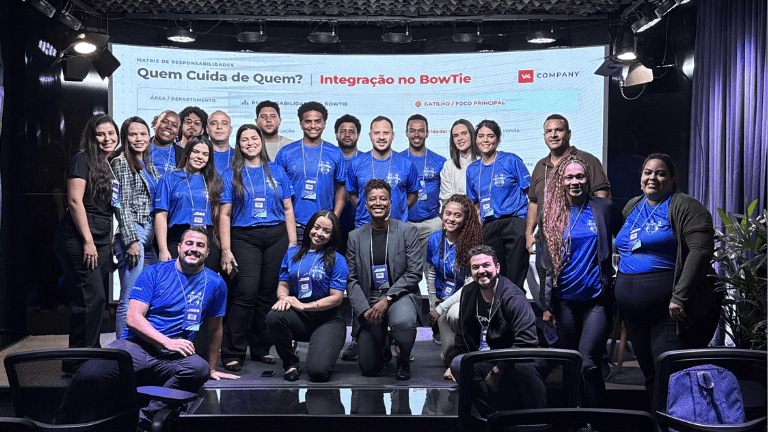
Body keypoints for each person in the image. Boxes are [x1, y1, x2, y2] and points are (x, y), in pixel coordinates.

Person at [57, 227, 239, 432]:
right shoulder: (155, 272)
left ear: (207, 253)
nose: (193, 249)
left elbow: (215, 328)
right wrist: (167, 341)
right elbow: (133, 318)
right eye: (189, 243)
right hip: (137, 345)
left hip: (174, 355)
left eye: (200, 245)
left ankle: (145, 421)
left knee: (199, 369)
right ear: (179, 247)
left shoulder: (216, 284)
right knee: (87, 373)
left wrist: (213, 367)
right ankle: (61, 426)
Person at [615, 153, 721, 394]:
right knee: (650, 374)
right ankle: (656, 424)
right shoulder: (633, 206)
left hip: (669, 310)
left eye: (660, 173)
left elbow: (701, 251)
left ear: (672, 179)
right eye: (648, 172)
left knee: (669, 372)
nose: (653, 177)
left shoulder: (686, 206)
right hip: (634, 313)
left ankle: (676, 425)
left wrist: (680, 296)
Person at [537, 155, 620, 407]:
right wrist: (546, 305)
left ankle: (597, 421)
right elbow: (543, 263)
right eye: (569, 177)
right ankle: (571, 419)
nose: (575, 181)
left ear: (588, 179)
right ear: (560, 180)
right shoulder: (550, 213)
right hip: (564, 303)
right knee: (570, 364)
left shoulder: (603, 208)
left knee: (589, 362)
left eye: (580, 176)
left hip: (596, 301)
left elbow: (623, 240)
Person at [218, 124, 297, 370]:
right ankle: (232, 352)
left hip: (276, 236)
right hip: (244, 237)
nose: (250, 142)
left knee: (266, 294)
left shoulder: (276, 170)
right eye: (244, 139)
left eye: (254, 138)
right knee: (245, 293)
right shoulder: (231, 172)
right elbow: (225, 215)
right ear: (238, 144)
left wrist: (293, 244)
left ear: (261, 141)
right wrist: (226, 249)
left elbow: (288, 209)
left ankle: (261, 349)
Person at [445, 245, 543, 411]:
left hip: (521, 356)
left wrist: (498, 369)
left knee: (523, 368)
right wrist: (454, 361)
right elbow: (464, 334)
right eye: (475, 267)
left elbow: (528, 341)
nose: (481, 271)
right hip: (491, 355)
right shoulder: (469, 292)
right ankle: (490, 414)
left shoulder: (513, 296)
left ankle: (539, 422)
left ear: (497, 267)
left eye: (486, 265)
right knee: (459, 364)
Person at [54, 113, 119, 355]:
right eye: (100, 134)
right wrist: (88, 240)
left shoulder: (110, 164)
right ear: (91, 137)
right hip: (79, 238)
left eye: (111, 133)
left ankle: (83, 357)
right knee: (92, 300)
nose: (106, 138)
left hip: (100, 239)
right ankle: (86, 358)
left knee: (89, 302)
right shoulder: (81, 159)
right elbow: (74, 201)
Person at [346, 179, 423, 380]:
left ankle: (403, 358)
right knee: (369, 368)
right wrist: (364, 310)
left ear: (391, 202)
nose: (377, 203)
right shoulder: (355, 236)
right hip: (369, 298)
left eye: (383, 199)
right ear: (365, 203)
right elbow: (351, 279)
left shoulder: (407, 231)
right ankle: (386, 341)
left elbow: (414, 272)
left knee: (404, 322)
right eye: (372, 199)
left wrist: (387, 299)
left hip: (399, 295)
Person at [266, 210, 349, 382]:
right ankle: (290, 364)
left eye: (326, 231)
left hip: (328, 319)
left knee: (318, 373)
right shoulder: (292, 253)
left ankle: (321, 345)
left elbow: (337, 298)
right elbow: (283, 284)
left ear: (332, 235)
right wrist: (283, 299)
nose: (319, 234)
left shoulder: (337, 259)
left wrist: (303, 305)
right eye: (316, 227)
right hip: (299, 318)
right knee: (274, 316)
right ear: (309, 227)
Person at [526, 113, 610, 256]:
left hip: (581, 238)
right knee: (548, 278)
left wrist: (599, 232)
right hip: (547, 239)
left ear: (568, 134)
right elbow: (534, 202)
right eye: (548, 131)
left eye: (558, 130)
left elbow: (603, 197)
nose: (553, 135)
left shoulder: (587, 160)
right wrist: (529, 233)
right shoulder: (541, 166)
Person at [466, 120, 531, 289]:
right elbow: (475, 203)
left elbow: (531, 193)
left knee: (516, 274)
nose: (485, 140)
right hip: (490, 225)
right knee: (494, 274)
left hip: (514, 222)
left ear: (498, 139)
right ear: (476, 140)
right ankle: (499, 312)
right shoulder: (472, 169)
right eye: (481, 136)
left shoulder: (511, 160)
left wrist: (528, 227)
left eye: (490, 136)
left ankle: (516, 311)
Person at [111, 116, 160, 338]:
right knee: (129, 297)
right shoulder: (121, 162)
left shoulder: (148, 165)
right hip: (134, 233)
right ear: (125, 137)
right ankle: (122, 351)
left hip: (150, 237)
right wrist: (131, 240)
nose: (138, 138)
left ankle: (140, 346)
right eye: (133, 134)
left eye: (142, 134)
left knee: (146, 297)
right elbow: (120, 204)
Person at [425, 194, 484, 368]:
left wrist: (441, 308)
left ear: (465, 218)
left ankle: (473, 342)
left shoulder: (471, 242)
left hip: (462, 301)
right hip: (442, 300)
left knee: (454, 314)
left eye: (457, 215)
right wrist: (432, 306)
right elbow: (431, 274)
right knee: (448, 358)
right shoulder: (435, 238)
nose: (451, 219)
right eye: (448, 213)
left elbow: (468, 285)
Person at [275, 101, 346, 240]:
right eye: (308, 121)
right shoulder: (286, 152)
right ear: (301, 124)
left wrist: (333, 218)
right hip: (294, 226)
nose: (313, 126)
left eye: (317, 121)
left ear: (324, 124)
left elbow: (341, 188)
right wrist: (284, 217)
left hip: (324, 227)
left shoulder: (335, 153)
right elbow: (275, 189)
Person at [154, 136, 222, 271]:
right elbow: (161, 215)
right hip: (178, 236)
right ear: (187, 152)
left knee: (206, 287)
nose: (199, 157)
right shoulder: (170, 179)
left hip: (207, 237)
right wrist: (163, 249)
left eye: (205, 154)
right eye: (195, 152)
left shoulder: (215, 181)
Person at [346, 116, 419, 228]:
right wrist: (369, 208)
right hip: (364, 226)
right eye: (376, 133)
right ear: (370, 136)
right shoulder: (356, 163)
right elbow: (352, 193)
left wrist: (400, 208)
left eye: (385, 133)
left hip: (398, 227)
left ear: (392, 135)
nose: (381, 137)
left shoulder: (407, 163)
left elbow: (413, 194)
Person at [334, 113, 364, 361]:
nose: (347, 134)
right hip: (330, 231)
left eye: (351, 130)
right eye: (342, 130)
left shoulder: (366, 160)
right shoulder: (329, 156)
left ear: (358, 135)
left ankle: (357, 338)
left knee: (357, 284)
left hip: (359, 231)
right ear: (336, 134)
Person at [402, 114, 446, 279]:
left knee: (434, 271)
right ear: (406, 133)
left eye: (421, 131)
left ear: (427, 133)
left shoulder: (440, 161)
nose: (417, 135)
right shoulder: (398, 160)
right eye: (412, 131)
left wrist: (442, 218)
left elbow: (448, 192)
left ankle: (435, 305)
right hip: (405, 223)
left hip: (432, 223)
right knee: (404, 271)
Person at [439, 119, 479, 207]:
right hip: (458, 215)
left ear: (472, 135)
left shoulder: (484, 160)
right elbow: (446, 198)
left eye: (464, 133)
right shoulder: (448, 166)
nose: (460, 138)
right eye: (455, 136)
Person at [148, 110, 182, 177]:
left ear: (178, 132)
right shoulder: (139, 148)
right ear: (155, 123)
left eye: (174, 125)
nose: (169, 127)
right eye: (165, 122)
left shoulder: (184, 155)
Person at [207, 110, 235, 175]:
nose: (219, 127)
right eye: (213, 123)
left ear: (230, 130)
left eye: (224, 123)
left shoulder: (240, 156)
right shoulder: (198, 155)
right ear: (207, 129)